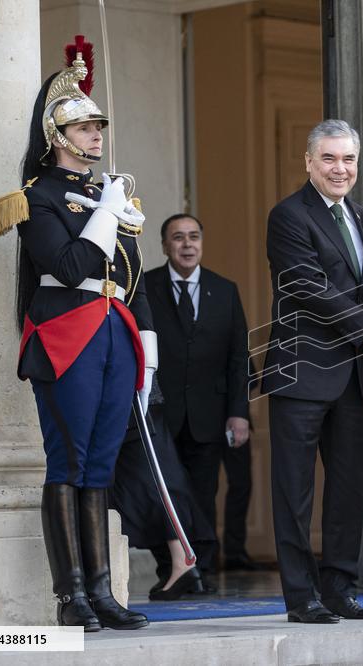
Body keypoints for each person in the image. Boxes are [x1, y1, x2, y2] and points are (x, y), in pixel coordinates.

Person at [0, 36, 154, 631]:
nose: (96, 136)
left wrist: (149, 343)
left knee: (101, 467)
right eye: (85, 128)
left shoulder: (104, 192)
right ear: (58, 137)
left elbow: (130, 275)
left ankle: (104, 593)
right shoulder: (35, 199)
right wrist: (108, 215)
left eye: (98, 128)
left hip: (113, 329)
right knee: (69, 461)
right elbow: (66, 269)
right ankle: (72, 596)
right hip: (67, 333)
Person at [261, 119, 363, 624]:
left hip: (355, 375)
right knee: (295, 490)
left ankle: (339, 588)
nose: (341, 168)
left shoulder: (361, 216)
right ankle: (300, 596)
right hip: (301, 372)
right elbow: (308, 287)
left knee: (347, 488)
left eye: (348, 159)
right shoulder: (288, 216)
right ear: (309, 162)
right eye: (330, 159)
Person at [144, 214, 252, 589]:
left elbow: (240, 358)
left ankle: (201, 568)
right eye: (178, 238)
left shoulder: (224, 290)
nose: (187, 244)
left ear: (202, 243)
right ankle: (169, 568)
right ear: (164, 246)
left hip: (210, 414)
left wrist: (239, 413)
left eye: (193, 237)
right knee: (164, 493)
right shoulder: (145, 287)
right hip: (159, 414)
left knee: (203, 493)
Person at [109, 376, 215, 601]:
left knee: (150, 482)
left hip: (131, 392)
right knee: (151, 480)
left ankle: (182, 560)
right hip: (136, 392)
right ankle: (181, 560)